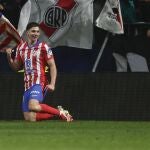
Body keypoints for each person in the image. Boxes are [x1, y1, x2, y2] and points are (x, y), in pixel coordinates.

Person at [6, 22, 73, 122]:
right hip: (27, 85)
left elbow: (52, 66)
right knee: (29, 118)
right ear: (27, 32)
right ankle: (60, 113)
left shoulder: (43, 47)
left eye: (37, 32)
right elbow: (16, 67)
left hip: (39, 82)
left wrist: (52, 84)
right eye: (33, 31)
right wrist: (8, 57)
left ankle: (60, 113)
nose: (35, 34)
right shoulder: (21, 48)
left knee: (33, 106)